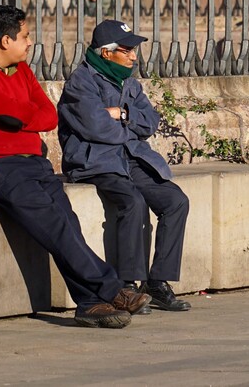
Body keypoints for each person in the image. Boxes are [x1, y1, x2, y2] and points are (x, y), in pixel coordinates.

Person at [0, 5, 150, 329]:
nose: (30, 43)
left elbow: (48, 115)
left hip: (35, 163)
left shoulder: (22, 70)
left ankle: (88, 303)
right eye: (25, 36)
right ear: (5, 40)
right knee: (54, 227)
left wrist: (24, 115)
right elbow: (11, 115)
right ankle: (112, 289)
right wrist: (24, 115)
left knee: (68, 225)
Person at [57, 19, 191, 313]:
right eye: (127, 50)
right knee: (132, 201)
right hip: (95, 160)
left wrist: (122, 113)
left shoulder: (129, 81)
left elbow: (151, 122)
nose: (134, 56)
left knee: (175, 201)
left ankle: (156, 283)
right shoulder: (81, 82)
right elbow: (96, 128)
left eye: (134, 50)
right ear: (107, 52)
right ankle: (128, 285)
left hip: (130, 157)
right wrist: (126, 125)